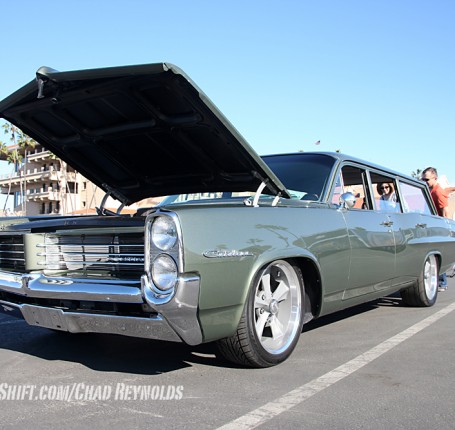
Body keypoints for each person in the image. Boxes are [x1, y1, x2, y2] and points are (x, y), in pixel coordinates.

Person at [421, 167, 455, 291]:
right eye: (423, 179)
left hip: (439, 227)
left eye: (427, 179)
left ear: (435, 178)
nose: (424, 182)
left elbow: (445, 211)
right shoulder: (431, 190)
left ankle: (442, 282)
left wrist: (445, 229)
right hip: (433, 226)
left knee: (437, 253)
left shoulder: (438, 192)